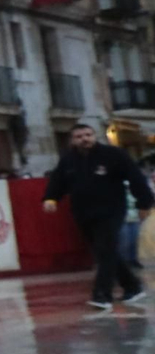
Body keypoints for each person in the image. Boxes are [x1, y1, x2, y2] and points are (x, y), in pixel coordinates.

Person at [44, 123, 154, 310]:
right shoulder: (68, 160)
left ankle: (102, 294)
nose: (84, 139)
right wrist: (50, 198)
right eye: (79, 136)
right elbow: (58, 181)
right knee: (104, 251)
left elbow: (135, 177)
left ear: (95, 136)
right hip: (83, 212)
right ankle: (132, 286)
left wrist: (144, 202)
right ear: (73, 140)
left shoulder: (113, 155)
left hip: (111, 210)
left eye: (88, 134)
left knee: (105, 249)